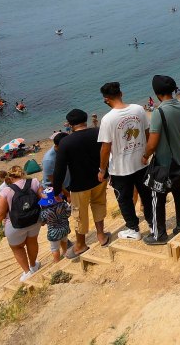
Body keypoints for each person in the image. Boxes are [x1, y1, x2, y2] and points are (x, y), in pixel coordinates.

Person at [142, 75, 180, 245]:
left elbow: (153, 141)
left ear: (157, 94)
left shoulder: (159, 112)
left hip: (163, 164)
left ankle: (159, 235)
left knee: (157, 198)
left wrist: (145, 155)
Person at [97, 82, 152, 241]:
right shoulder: (138, 109)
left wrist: (102, 170)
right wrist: (147, 153)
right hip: (141, 162)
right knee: (146, 195)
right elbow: (147, 133)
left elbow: (105, 148)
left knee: (124, 199)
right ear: (121, 93)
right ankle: (152, 224)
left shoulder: (108, 119)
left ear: (106, 99)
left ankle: (133, 229)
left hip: (120, 169)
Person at [53, 108, 110, 259]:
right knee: (99, 204)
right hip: (99, 178)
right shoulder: (97, 132)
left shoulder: (65, 142)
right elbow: (107, 151)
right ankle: (101, 236)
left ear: (70, 125)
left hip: (79, 184)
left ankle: (80, 245)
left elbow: (59, 170)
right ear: (85, 120)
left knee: (79, 214)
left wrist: (57, 191)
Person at [0, 165, 43, 283]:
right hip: (34, 220)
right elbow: (42, 199)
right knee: (32, 241)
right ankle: (34, 265)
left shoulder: (6, 191)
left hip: (15, 225)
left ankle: (27, 272)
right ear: (22, 173)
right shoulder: (34, 182)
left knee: (17, 248)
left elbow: (0, 214)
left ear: (10, 177)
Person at [38, 188, 71, 263]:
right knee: (64, 241)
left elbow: (42, 222)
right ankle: (65, 253)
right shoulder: (63, 204)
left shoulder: (45, 211)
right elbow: (68, 213)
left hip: (53, 233)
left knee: (55, 248)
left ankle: (57, 262)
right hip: (64, 228)